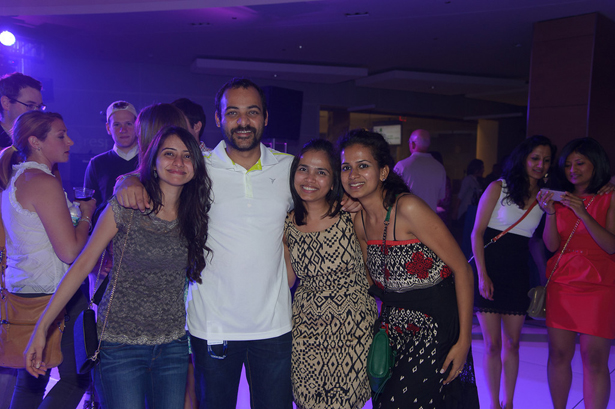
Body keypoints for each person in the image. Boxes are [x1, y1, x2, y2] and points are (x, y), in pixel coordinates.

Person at [114, 78, 299, 409]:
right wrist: (125, 180)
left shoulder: (289, 169)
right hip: (212, 326)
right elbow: (153, 175)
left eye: (252, 112)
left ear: (266, 117)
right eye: (233, 113)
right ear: (218, 118)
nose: (243, 121)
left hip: (274, 328)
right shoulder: (198, 167)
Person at [24, 126, 212, 409]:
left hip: (172, 346)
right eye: (169, 154)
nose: (178, 162)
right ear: (153, 162)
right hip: (119, 346)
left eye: (187, 156)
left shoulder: (196, 215)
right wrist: (42, 327)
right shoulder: (126, 207)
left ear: (196, 166)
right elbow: (81, 266)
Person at [339, 129, 478, 409]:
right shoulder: (359, 222)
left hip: (434, 325)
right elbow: (373, 281)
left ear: (383, 172)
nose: (353, 175)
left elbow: (463, 270)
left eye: (363, 166)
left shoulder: (408, 208)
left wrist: (464, 341)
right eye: (346, 167)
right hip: (392, 327)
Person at [0, 111, 95, 409]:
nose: (70, 141)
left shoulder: (16, 178)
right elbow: (69, 251)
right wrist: (87, 216)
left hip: (24, 291)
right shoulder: (42, 181)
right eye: (61, 135)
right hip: (54, 293)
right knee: (76, 378)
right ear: (35, 142)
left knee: (31, 380)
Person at [283, 139, 377, 409]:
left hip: (353, 329)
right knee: (307, 401)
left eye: (321, 172)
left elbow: (372, 272)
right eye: (303, 169)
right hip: (305, 330)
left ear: (334, 180)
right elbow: (288, 279)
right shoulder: (287, 224)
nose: (310, 179)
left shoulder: (352, 216)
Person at [471, 135, 555, 409]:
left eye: (546, 160)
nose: (540, 165)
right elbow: (477, 233)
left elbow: (538, 242)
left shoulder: (545, 197)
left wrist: (543, 272)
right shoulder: (498, 187)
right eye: (535, 158)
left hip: (518, 273)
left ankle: (509, 403)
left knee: (513, 343)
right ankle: (494, 404)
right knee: (492, 344)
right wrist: (482, 275)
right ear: (523, 159)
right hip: (490, 270)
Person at [538, 137, 615, 409]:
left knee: (594, 359)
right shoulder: (560, 199)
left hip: (600, 284)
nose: (573, 170)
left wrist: (583, 213)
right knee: (558, 354)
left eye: (580, 163)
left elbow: (611, 245)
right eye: (568, 164)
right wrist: (549, 213)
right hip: (562, 282)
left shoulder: (610, 196)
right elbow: (551, 246)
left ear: (596, 163)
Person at [84, 101, 139, 224]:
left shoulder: (151, 160)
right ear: (108, 128)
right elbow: (89, 208)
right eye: (117, 124)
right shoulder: (97, 164)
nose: (123, 130)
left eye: (128, 124)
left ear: (138, 126)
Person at [393, 129, 446, 212]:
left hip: (407, 216)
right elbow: (439, 198)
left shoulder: (402, 166)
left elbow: (392, 194)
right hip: (430, 217)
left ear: (413, 144)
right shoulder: (440, 168)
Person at [0, 73, 44, 149]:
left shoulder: (39, 138)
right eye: (30, 105)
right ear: (6, 103)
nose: (37, 112)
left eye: (39, 107)